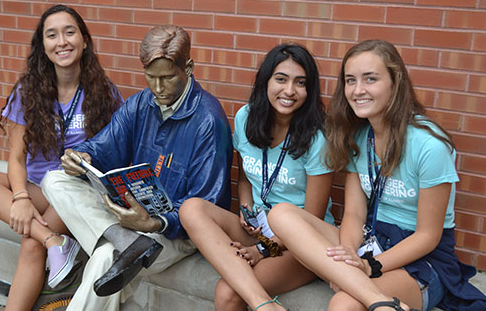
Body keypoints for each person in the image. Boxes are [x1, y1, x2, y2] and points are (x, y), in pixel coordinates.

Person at [268, 39, 486, 311]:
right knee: (281, 213)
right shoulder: (359, 136)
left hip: (421, 258)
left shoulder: (430, 145)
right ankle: (377, 298)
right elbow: (354, 215)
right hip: (372, 239)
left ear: (395, 83)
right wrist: (348, 256)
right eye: (350, 80)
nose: (358, 90)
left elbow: (428, 236)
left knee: (344, 304)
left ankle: (378, 300)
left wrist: (370, 265)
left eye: (370, 79)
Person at [41, 24, 233, 311]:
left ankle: (128, 242)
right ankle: (127, 240)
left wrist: (155, 223)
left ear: (189, 68)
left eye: (167, 78)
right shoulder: (141, 103)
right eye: (150, 77)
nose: (157, 88)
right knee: (55, 180)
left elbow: (207, 204)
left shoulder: (209, 120)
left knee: (107, 258)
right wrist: (82, 157)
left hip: (176, 231)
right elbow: (104, 147)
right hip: (133, 218)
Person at [0, 4, 123, 310]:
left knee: (30, 245)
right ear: (43, 46)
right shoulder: (28, 92)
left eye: (69, 32)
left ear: (84, 40)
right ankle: (54, 241)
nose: (62, 41)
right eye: (52, 35)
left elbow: (116, 154)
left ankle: (45, 242)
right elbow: (16, 158)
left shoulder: (105, 93)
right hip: (39, 190)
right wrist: (20, 197)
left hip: (77, 191)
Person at [179, 43, 335, 311]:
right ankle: (265, 305)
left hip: (301, 244)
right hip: (260, 228)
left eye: (300, 83)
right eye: (281, 79)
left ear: (309, 91)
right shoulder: (246, 118)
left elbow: (311, 221)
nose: (289, 91)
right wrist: (246, 208)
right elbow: (245, 178)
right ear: (266, 81)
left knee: (229, 292)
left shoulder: (317, 139)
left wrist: (261, 251)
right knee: (191, 208)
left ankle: (261, 304)